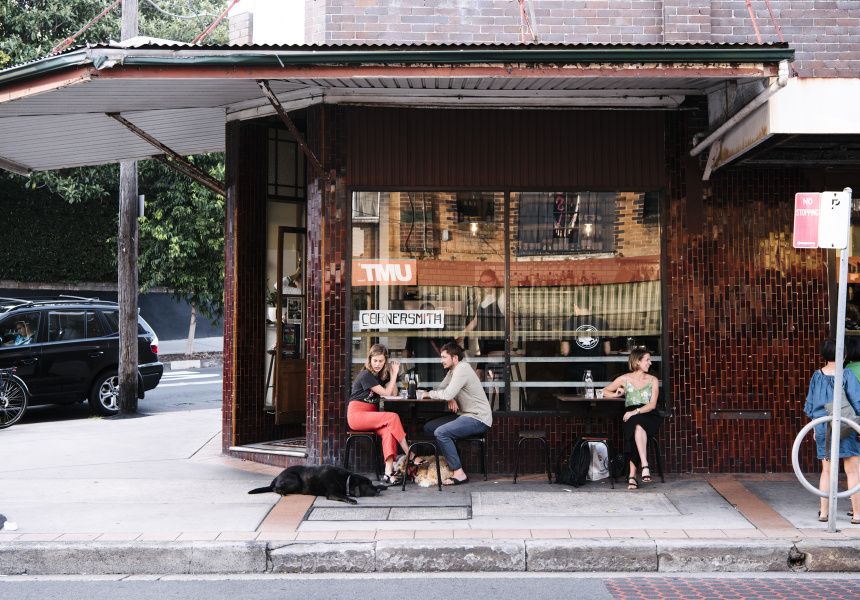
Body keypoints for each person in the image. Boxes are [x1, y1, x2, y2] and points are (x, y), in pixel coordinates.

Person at [348, 344, 425, 485]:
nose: (377, 364)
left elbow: (393, 394)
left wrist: (392, 376)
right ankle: (410, 454)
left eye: (381, 361)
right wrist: (395, 374)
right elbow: (386, 393)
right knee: (393, 416)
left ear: (385, 361)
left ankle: (388, 473)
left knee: (389, 431)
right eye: (374, 360)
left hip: (371, 416)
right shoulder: (366, 375)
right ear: (369, 360)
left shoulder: (382, 375)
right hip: (357, 415)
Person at [804, 337, 860, 524]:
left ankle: (824, 513)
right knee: (852, 471)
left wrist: (814, 427)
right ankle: (858, 515)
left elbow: (811, 404)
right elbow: (857, 402)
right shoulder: (847, 374)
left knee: (826, 471)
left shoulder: (817, 375)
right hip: (847, 425)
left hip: (823, 426)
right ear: (843, 355)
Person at [423, 342, 493, 486]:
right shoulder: (452, 371)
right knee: (429, 427)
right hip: (464, 415)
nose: (441, 360)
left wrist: (428, 394)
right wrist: (450, 397)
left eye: (444, 357)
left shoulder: (462, 369)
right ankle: (444, 464)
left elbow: (445, 393)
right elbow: (442, 390)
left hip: (478, 417)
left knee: (441, 432)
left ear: (455, 358)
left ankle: (459, 473)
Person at [602, 347, 662, 490]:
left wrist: (635, 412)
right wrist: (615, 394)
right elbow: (604, 391)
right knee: (637, 426)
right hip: (631, 415)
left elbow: (652, 405)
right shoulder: (625, 379)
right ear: (637, 361)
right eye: (647, 360)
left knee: (637, 425)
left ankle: (633, 475)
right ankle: (643, 468)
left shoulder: (653, 380)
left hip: (648, 414)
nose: (650, 363)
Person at [460, 269, 506, 382]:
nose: (485, 285)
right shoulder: (483, 299)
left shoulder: (502, 297)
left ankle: (498, 395)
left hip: (497, 343)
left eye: (488, 281)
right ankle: (484, 395)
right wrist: (462, 334)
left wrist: (509, 342)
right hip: (484, 343)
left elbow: (510, 319)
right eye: (483, 282)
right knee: (482, 373)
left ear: (495, 281)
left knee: (492, 375)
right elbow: (476, 320)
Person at [561, 296, 611, 385]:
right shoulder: (601, 322)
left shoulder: (569, 323)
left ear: (575, 306)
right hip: (597, 369)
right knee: (597, 393)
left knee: (574, 393)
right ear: (590, 306)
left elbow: (565, 351)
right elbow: (607, 351)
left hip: (575, 370)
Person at [404, 302, 448, 386]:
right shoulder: (442, 327)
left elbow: (407, 353)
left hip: (422, 369)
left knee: (423, 391)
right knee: (441, 391)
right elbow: (451, 348)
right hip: (440, 368)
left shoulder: (414, 329)